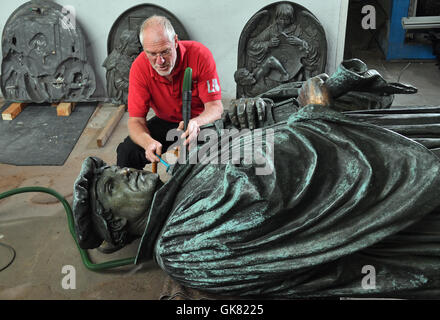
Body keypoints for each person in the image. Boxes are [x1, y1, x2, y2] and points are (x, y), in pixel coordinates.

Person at [73, 72, 440, 299]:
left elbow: (248, 146)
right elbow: (276, 194)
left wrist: (260, 106)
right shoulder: (179, 244)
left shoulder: (179, 190)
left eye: (115, 171)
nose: (124, 172)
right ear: (118, 225)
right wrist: (313, 114)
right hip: (374, 184)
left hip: (356, 151)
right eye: (111, 186)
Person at [116, 15, 223, 170]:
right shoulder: (139, 67)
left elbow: (215, 108)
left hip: (200, 120)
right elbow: (136, 121)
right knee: (127, 152)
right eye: (152, 54)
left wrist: (196, 123)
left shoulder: (199, 54)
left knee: (203, 163)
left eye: (165, 52)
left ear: (175, 41)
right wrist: (148, 142)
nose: (160, 61)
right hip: (166, 121)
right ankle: (133, 193)